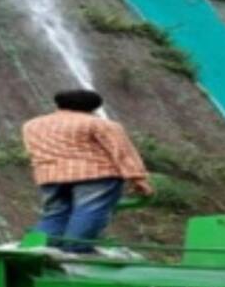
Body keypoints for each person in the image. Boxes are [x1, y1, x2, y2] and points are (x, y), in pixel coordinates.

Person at [21, 89, 153, 253]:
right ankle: (75, 252)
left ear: (57, 104)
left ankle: (35, 250)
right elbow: (122, 152)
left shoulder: (32, 125)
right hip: (96, 175)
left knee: (55, 214)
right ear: (94, 107)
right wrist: (138, 178)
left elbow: (32, 151)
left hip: (50, 176)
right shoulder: (100, 124)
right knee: (88, 212)